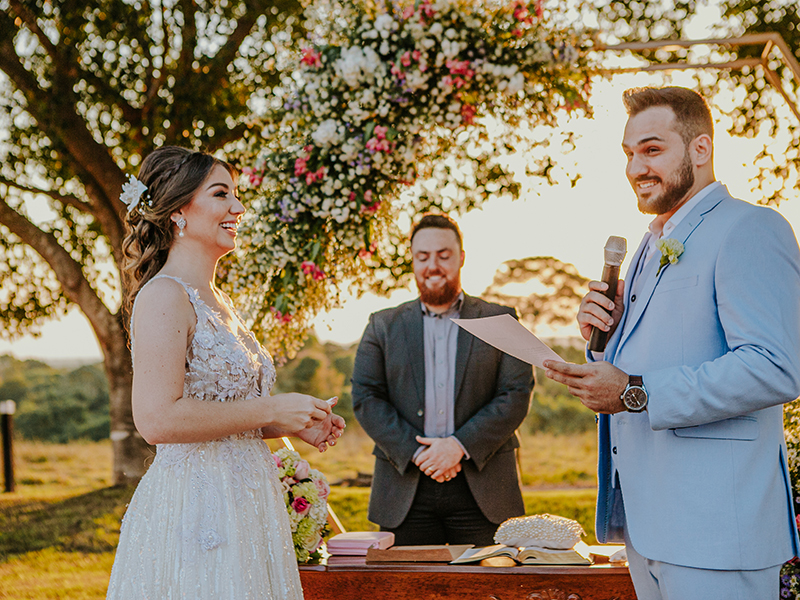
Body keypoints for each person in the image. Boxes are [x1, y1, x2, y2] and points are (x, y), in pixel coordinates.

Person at [545, 87, 800, 599]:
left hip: (717, 534)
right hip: (648, 527)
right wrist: (605, 341)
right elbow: (654, 358)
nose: (635, 167)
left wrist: (634, 391)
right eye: (629, 153)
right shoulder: (646, 245)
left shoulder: (750, 228)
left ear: (700, 149)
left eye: (652, 149)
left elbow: (776, 366)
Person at [106, 146, 344, 599]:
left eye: (236, 195)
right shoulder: (164, 296)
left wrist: (293, 421)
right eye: (221, 194)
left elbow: (228, 414)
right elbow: (157, 420)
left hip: (250, 502)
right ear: (179, 210)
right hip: (197, 511)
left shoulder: (219, 300)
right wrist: (270, 407)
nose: (238, 207)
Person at [352, 213, 533, 546]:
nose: (432, 266)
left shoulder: (501, 319)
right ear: (412, 260)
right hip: (404, 489)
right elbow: (366, 396)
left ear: (461, 257)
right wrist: (419, 453)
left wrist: (458, 446)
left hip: (485, 488)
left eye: (443, 255)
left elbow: (516, 393)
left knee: (490, 594)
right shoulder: (382, 325)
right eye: (423, 257)